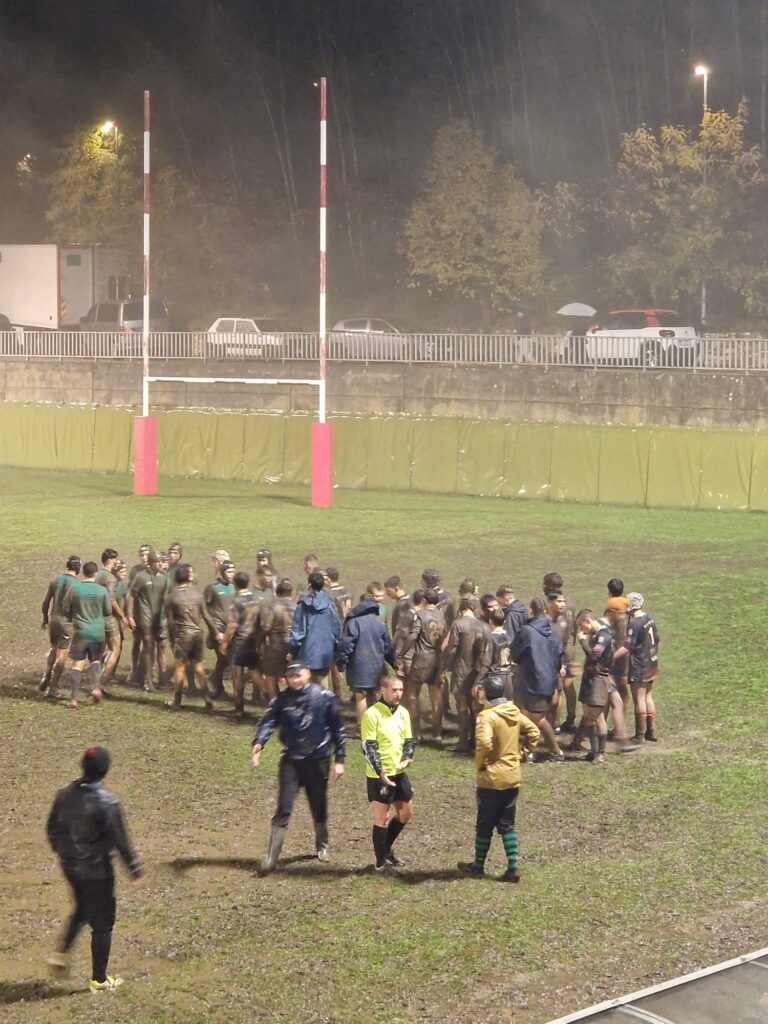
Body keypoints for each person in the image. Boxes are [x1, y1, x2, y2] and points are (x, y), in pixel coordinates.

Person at [46, 746, 141, 992]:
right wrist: (133, 868)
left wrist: (64, 852)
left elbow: (51, 829)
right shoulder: (108, 802)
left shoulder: (63, 793)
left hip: (70, 867)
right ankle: (99, 979)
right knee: (103, 923)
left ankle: (62, 950)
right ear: (104, 771)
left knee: (83, 906)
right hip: (97, 872)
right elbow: (120, 840)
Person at [251, 662, 346, 873]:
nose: (295, 680)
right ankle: (272, 856)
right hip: (291, 761)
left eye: (299, 675)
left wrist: (339, 760)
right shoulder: (281, 700)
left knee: (318, 805)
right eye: (291, 676)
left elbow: (338, 729)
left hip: (318, 760)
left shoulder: (324, 697)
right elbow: (268, 721)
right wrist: (259, 743)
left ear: (308, 674)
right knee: (283, 807)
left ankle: (322, 845)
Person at [458, 675, 540, 881]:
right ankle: (513, 867)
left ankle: (478, 865)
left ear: (487, 693)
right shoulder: (513, 712)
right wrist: (522, 754)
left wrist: (481, 763)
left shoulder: (486, 716)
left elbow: (484, 743)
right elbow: (534, 731)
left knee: (484, 823)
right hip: (512, 776)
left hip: (491, 779)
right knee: (507, 824)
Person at [361, 675, 415, 873]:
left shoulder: (403, 713)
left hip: (398, 772)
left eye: (401, 689)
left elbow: (409, 740)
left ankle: (386, 849)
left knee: (405, 813)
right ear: (382, 690)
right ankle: (380, 863)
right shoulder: (372, 714)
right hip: (379, 776)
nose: (398, 694)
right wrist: (380, 771)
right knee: (381, 818)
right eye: (394, 690)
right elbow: (368, 747)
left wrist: (408, 756)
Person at [511, 598, 564, 760]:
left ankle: (555, 751)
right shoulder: (552, 632)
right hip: (549, 680)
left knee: (538, 719)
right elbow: (559, 655)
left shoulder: (526, 631)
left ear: (531, 611)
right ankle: (528, 751)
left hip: (533, 680)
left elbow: (515, 653)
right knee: (531, 716)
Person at [164, 563, 220, 710]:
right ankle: (207, 699)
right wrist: (216, 632)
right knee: (199, 667)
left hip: (183, 635)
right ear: (188, 579)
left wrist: (171, 640)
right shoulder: (198, 595)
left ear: (176, 579)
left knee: (180, 668)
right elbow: (207, 616)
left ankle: (176, 700)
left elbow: (170, 622)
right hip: (198, 634)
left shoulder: (171, 597)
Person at [337, 593, 396, 724]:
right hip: (377, 666)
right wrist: (394, 663)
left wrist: (341, 664)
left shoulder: (353, 623)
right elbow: (388, 646)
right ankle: (376, 723)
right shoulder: (379, 623)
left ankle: (363, 727)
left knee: (361, 697)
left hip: (359, 666)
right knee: (372, 695)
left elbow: (346, 645)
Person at [61, 561, 112, 709]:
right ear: (95, 574)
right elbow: (108, 611)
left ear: (83, 572)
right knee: (95, 660)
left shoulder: (74, 588)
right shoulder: (102, 590)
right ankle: (96, 687)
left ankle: (73, 699)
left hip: (81, 632)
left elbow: (65, 609)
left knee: (77, 664)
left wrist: (72, 616)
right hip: (98, 632)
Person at [398, 588, 446, 742]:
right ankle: (437, 733)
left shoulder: (419, 615)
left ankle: (416, 732)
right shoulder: (442, 616)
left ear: (424, 600)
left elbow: (412, 636)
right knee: (436, 699)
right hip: (437, 660)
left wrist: (401, 654)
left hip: (420, 660)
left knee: (412, 696)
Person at [442, 596, 491, 750]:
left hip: (461, 670)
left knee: (462, 706)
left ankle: (463, 741)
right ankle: (477, 739)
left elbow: (452, 649)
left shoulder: (458, 624)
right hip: (478, 672)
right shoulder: (484, 626)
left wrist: (444, 667)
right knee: (476, 707)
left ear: (461, 608)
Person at [613, 592, 660, 743]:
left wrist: (610, 657)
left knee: (639, 699)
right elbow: (657, 639)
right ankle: (650, 732)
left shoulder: (635, 623)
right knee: (648, 696)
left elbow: (627, 646)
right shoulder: (649, 618)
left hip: (640, 664)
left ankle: (639, 735)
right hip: (652, 662)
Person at [574, 609, 614, 764]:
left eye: (581, 625)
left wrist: (583, 641)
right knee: (588, 716)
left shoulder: (604, 636)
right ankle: (594, 750)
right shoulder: (595, 635)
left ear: (587, 621)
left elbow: (594, 655)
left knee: (598, 717)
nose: (581, 630)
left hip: (598, 680)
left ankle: (601, 752)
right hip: (588, 678)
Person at [126, 550, 169, 692]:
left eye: (161, 562)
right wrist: (130, 615)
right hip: (145, 617)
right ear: (151, 563)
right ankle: (147, 680)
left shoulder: (164, 578)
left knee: (162, 647)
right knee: (148, 647)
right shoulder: (141, 577)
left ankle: (164, 679)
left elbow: (167, 598)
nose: (160, 564)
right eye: (157, 562)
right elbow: (131, 595)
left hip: (160, 617)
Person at [289, 571, 341, 687]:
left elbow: (298, 632)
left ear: (309, 585)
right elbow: (336, 628)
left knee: (307, 686)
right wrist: (337, 649)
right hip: (326, 652)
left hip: (307, 653)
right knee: (323, 682)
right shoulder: (330, 604)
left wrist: (292, 651)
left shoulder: (303, 605)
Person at [40, 555, 81, 698]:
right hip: (66, 622)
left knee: (53, 647)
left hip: (53, 619)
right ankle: (52, 688)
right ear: (78, 568)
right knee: (62, 653)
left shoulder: (55, 580)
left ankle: (46, 675)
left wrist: (45, 618)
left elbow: (45, 603)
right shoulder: (77, 585)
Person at [543, 573, 578, 733]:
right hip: (569, 646)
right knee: (568, 685)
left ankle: (555, 721)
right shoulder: (569, 602)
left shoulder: (550, 603)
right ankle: (570, 718)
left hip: (557, 647)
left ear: (549, 587)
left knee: (558, 687)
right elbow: (574, 628)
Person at [223, 570, 262, 716]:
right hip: (253, 639)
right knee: (255, 672)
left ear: (235, 585)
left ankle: (238, 708)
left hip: (239, 642)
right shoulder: (255, 599)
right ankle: (273, 700)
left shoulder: (236, 601)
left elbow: (232, 625)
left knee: (237, 674)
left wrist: (224, 641)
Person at [258, 578, 296, 700]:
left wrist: (258, 643)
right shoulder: (297, 607)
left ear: (278, 591)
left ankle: (274, 706)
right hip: (293, 646)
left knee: (270, 677)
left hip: (276, 646)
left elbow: (265, 628)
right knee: (293, 676)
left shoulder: (273, 607)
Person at [203, 557, 235, 698]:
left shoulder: (234, 587)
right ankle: (218, 687)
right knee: (223, 657)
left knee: (227, 659)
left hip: (230, 628)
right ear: (222, 572)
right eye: (229, 571)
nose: (231, 574)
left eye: (233, 571)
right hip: (217, 627)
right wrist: (214, 631)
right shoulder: (212, 588)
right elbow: (204, 609)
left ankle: (215, 681)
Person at [96, 548, 127, 692]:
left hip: (95, 615)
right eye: (115, 560)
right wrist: (122, 616)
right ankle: (100, 684)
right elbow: (111, 600)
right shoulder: (110, 578)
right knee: (116, 648)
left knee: (103, 648)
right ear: (109, 561)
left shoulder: (96, 575)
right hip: (108, 617)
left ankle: (97, 676)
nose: (117, 563)